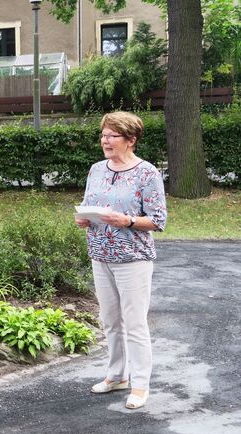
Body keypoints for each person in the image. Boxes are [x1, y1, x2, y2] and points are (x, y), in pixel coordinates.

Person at [75, 111, 167, 410]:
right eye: (103, 135)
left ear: (131, 140)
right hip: (100, 254)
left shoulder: (148, 174)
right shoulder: (96, 170)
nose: (105, 140)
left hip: (133, 258)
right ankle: (117, 375)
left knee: (135, 323)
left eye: (112, 135)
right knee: (110, 320)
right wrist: (86, 220)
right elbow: (91, 205)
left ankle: (140, 385)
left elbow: (157, 220)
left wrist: (126, 220)